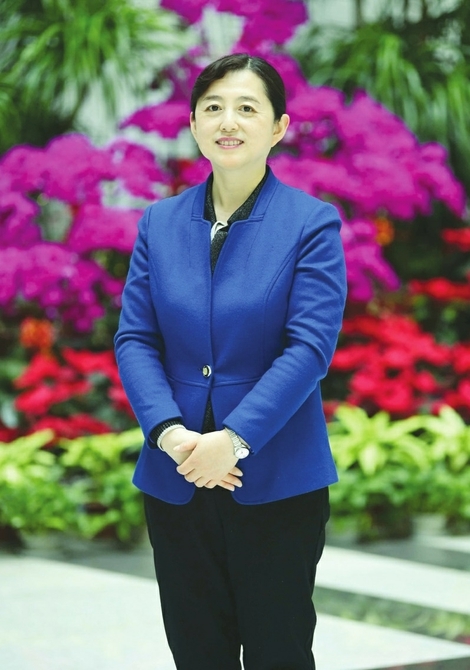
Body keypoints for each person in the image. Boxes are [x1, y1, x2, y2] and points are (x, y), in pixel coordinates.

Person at [114, 53, 347, 670]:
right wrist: (171, 435)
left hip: (276, 480)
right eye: (213, 107)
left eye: (247, 108)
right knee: (196, 653)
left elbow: (309, 348)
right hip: (177, 476)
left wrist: (234, 440)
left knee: (279, 651)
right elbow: (135, 339)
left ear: (278, 127)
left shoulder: (311, 224)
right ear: (194, 124)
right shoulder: (160, 222)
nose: (229, 122)